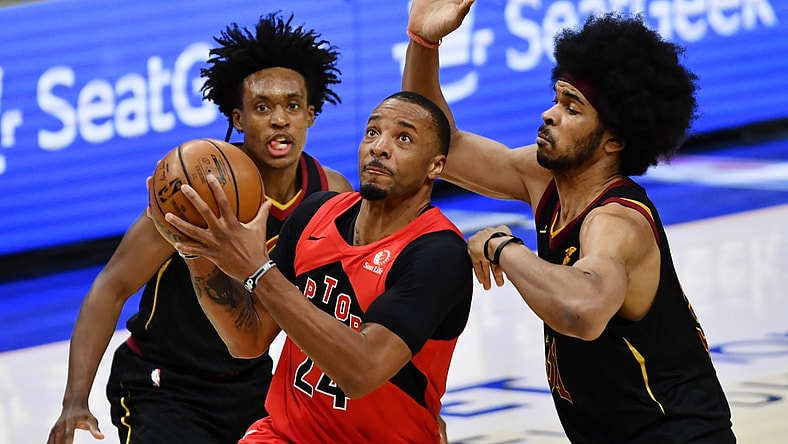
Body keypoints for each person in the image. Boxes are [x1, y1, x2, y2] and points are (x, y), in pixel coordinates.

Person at [402, 1, 736, 442]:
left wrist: (504, 247)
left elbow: (584, 311)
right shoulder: (549, 182)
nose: (550, 114)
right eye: (556, 99)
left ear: (615, 139)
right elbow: (444, 147)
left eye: (572, 108)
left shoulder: (616, 223)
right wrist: (423, 43)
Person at [48, 13, 352, 444]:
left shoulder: (330, 194)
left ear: (311, 115)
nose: (280, 119)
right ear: (238, 118)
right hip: (164, 386)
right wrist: (74, 400)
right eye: (262, 107)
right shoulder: (194, 187)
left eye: (292, 105)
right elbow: (111, 287)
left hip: (255, 384)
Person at [161, 90, 473, 443]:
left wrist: (257, 270)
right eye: (372, 132)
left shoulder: (438, 253)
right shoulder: (315, 214)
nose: (379, 147)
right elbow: (249, 339)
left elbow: (362, 371)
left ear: (436, 166)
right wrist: (197, 254)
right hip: (284, 435)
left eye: (403, 138)